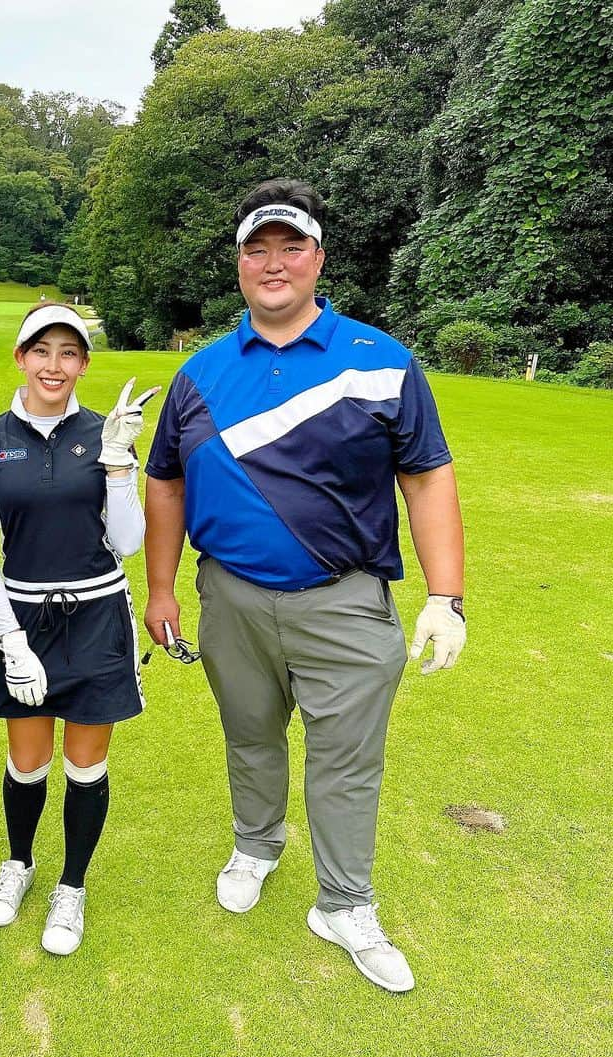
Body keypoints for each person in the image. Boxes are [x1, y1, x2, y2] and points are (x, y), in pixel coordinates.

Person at [143, 179, 466, 994]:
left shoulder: (382, 360)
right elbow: (166, 485)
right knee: (250, 736)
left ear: (319, 259)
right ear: (240, 264)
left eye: (292, 247)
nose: (274, 263)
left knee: (346, 760)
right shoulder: (200, 373)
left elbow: (427, 476)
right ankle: (256, 844)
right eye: (259, 248)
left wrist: (445, 594)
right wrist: (162, 591)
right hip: (231, 599)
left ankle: (345, 901)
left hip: (347, 602)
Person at [0, 303, 158, 956]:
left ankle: (71, 887)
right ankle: (19, 864)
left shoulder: (105, 433)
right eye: (41, 350)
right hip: (26, 618)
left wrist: (118, 463)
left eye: (68, 352)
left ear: (83, 364)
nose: (54, 364)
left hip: (99, 616)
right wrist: (10, 641)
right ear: (20, 358)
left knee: (84, 765)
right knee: (26, 763)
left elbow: (127, 541)